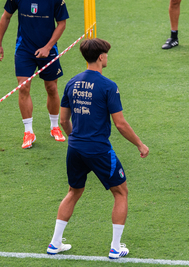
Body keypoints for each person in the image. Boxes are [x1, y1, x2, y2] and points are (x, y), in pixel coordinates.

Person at [46, 38, 149, 258]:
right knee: (121, 192)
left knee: (74, 191)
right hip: (99, 149)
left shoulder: (71, 83)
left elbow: (64, 121)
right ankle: (115, 247)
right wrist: (139, 144)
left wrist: (75, 138)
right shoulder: (108, 86)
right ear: (101, 57)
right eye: (107, 55)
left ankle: (55, 243)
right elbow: (120, 123)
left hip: (74, 147)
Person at [0, 0, 69, 149]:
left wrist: (47, 47)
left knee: (51, 88)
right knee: (23, 88)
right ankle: (28, 132)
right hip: (24, 50)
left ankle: (54, 127)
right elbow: (6, 17)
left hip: (48, 50)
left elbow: (61, 24)